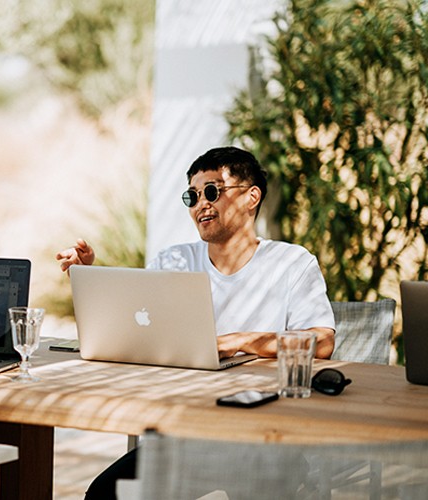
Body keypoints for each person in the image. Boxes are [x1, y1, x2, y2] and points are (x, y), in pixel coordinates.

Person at [56, 146, 336, 500]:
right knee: (103, 493)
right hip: (185, 436)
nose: (201, 203)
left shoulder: (292, 263)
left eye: (212, 191)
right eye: (192, 195)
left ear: (252, 197)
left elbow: (322, 342)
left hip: (269, 438)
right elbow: (133, 328)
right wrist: (91, 275)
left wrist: (239, 341)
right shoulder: (174, 260)